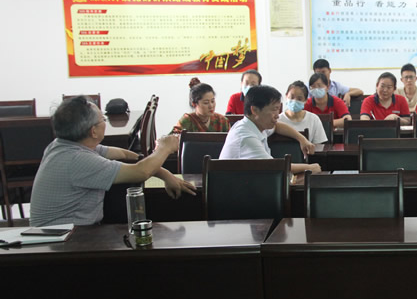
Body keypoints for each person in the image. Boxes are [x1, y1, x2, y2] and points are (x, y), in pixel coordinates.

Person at [30, 96, 196, 226]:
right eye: (103, 119)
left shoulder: (63, 146)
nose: (105, 122)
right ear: (93, 131)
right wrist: (164, 148)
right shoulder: (77, 160)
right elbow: (140, 172)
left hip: (71, 232)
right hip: (67, 239)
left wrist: (165, 174)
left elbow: (123, 155)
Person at [220, 84, 320, 173]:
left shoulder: (256, 125)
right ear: (255, 110)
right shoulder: (246, 136)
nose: (277, 115)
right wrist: (309, 167)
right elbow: (274, 166)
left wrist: (302, 139)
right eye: (274, 109)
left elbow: (277, 126)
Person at [278, 80, 328, 145]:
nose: (295, 101)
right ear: (286, 96)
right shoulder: (278, 120)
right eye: (292, 97)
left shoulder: (314, 119)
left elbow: (319, 145)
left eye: (299, 99)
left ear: (305, 100)